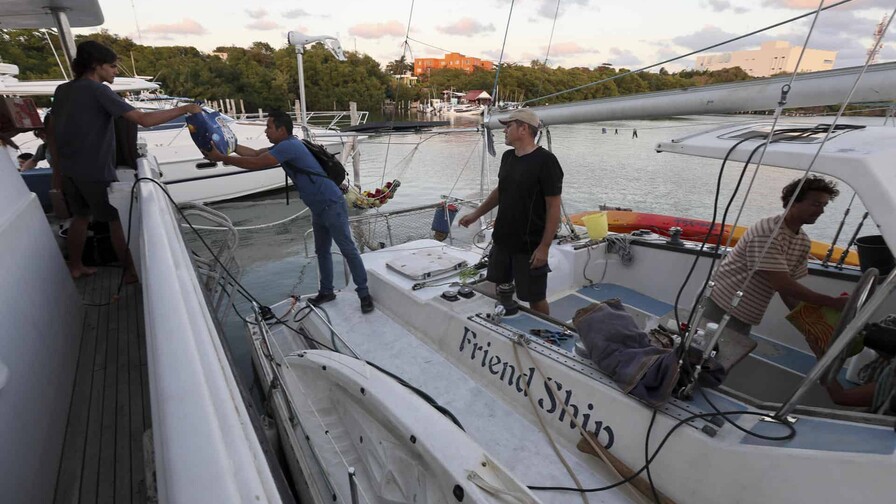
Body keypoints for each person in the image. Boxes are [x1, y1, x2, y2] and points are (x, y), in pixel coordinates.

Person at [47, 40, 201, 281]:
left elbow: (52, 131)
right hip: (95, 169)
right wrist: (183, 109)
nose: (116, 71)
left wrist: (57, 168)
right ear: (97, 66)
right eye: (112, 66)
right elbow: (143, 119)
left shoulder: (63, 90)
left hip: (69, 169)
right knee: (115, 220)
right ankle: (130, 271)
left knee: (80, 216)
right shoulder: (99, 91)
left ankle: (75, 266)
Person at [203, 110, 374, 314]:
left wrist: (223, 159)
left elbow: (258, 163)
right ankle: (327, 291)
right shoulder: (285, 145)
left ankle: (364, 294)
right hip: (318, 207)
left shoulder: (290, 146)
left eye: (269, 127)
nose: (266, 131)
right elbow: (256, 154)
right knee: (322, 251)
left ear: (281, 130)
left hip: (331, 203)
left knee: (348, 249)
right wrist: (229, 147)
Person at [703, 176, 850, 373]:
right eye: (815, 204)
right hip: (720, 303)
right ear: (792, 201)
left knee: (721, 362)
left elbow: (789, 292)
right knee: (701, 355)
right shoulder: (768, 232)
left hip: (745, 312)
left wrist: (809, 330)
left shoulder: (802, 242)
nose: (821, 211)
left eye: (824, 205)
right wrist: (831, 302)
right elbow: (783, 284)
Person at [458, 109, 563, 315]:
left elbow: (553, 207)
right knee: (501, 285)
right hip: (503, 240)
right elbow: (500, 191)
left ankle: (543, 333)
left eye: (509, 126)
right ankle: (505, 316)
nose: (504, 130)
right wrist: (476, 215)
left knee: (535, 298)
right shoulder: (508, 157)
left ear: (523, 129)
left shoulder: (546, 162)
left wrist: (544, 247)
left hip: (529, 246)